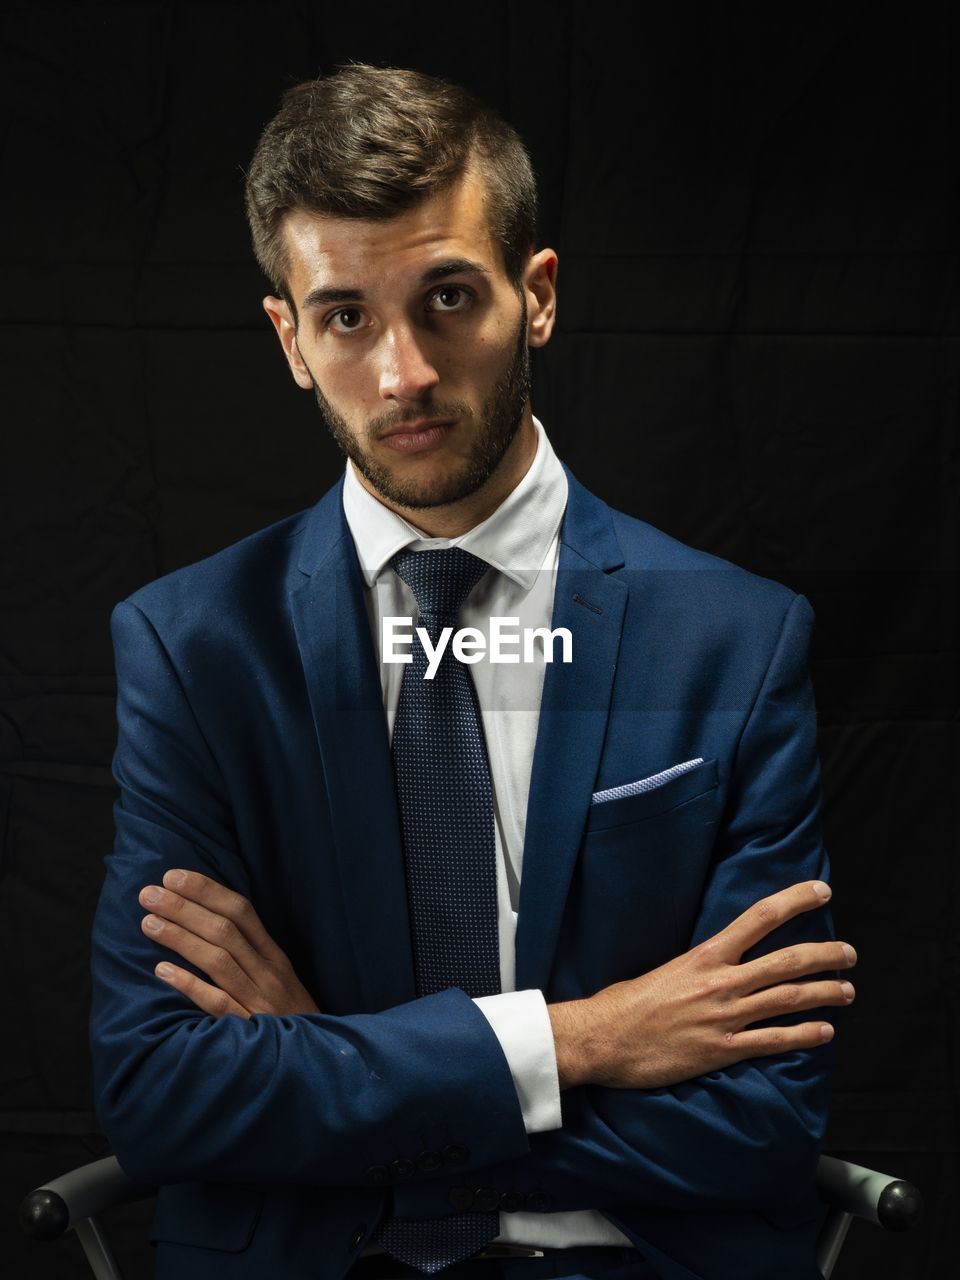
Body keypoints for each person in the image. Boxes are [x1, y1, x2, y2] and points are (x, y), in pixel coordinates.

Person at [89, 62, 857, 1280]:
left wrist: (337, 1062)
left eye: (448, 297)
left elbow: (759, 1121)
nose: (403, 373)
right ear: (289, 337)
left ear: (536, 296)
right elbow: (161, 1093)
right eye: (346, 316)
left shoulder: (736, 638)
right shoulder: (192, 647)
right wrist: (583, 1039)